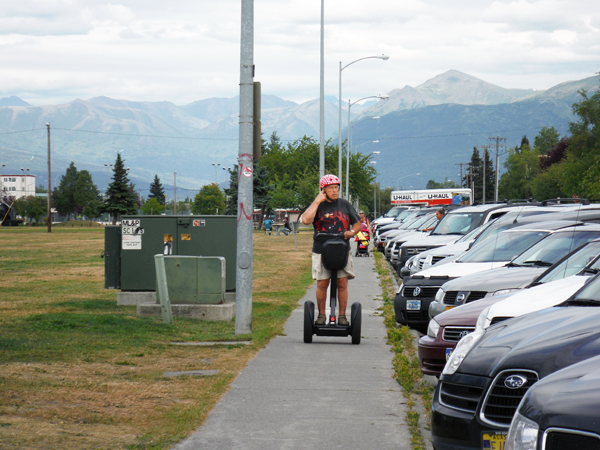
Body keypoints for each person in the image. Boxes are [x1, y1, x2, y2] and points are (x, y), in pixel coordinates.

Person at [301, 174, 361, 326]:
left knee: (342, 282)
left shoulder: (345, 205)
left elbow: (357, 224)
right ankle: (321, 315)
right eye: (331, 188)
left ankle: (342, 316)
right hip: (321, 249)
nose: (335, 191)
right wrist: (316, 201)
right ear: (323, 190)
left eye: (337, 188)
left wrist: (351, 232)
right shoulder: (318, 205)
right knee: (322, 283)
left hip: (342, 248)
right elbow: (306, 220)